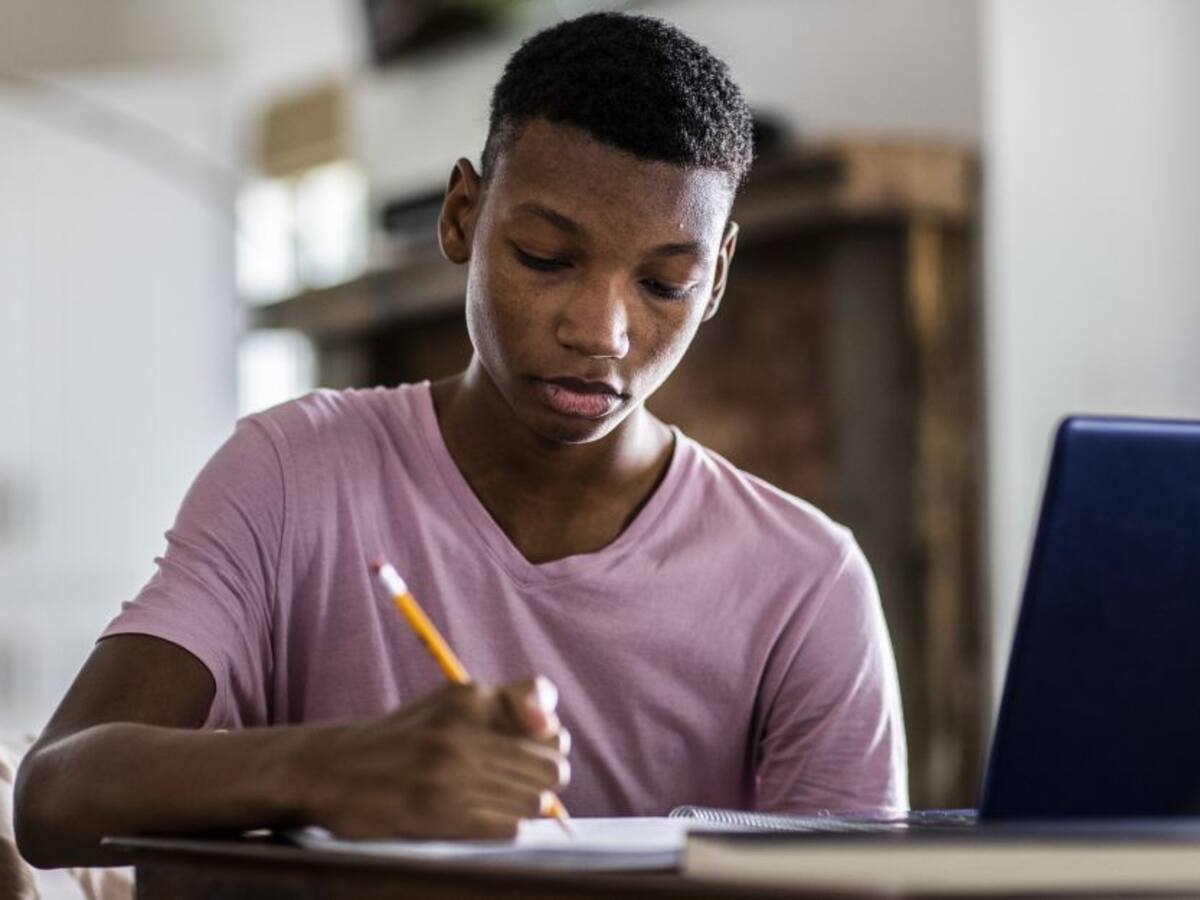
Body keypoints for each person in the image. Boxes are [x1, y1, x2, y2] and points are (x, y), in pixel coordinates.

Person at [15, 11, 907, 868]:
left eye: (664, 284)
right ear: (462, 217)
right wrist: (337, 769)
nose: (602, 332)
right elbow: (53, 797)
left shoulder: (806, 585)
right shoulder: (293, 475)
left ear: (715, 282)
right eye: (546, 258)